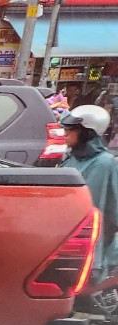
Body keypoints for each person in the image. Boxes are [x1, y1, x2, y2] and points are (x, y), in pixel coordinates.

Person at [61, 105, 118, 313]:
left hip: (88, 234)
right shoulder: (71, 157)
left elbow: (109, 208)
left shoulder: (104, 163)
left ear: (86, 132)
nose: (65, 134)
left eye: (71, 130)